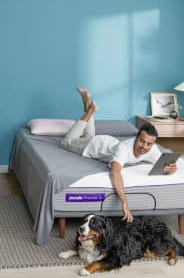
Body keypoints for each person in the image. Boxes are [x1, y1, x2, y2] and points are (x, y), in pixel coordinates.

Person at [61, 87, 177, 222]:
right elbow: (115, 173)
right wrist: (124, 202)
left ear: (153, 143)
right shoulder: (123, 149)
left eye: (149, 144)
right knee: (66, 142)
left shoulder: (152, 149)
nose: (144, 147)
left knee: (88, 133)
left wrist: (172, 169)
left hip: (106, 140)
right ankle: (91, 110)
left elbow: (164, 164)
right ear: (136, 137)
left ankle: (87, 103)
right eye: (141, 141)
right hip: (92, 146)